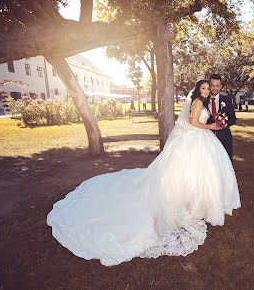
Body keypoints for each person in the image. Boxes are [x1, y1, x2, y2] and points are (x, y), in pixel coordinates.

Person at [47, 80, 241, 266]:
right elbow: (192, 122)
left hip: (201, 139)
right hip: (197, 137)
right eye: (204, 88)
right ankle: (192, 200)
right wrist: (211, 126)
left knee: (201, 172)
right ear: (199, 90)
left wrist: (213, 125)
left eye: (209, 88)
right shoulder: (198, 102)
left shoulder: (202, 101)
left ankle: (199, 198)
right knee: (191, 170)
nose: (207, 91)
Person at [206, 74, 237, 161]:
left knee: (226, 162)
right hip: (207, 138)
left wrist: (224, 124)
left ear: (221, 86)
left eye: (217, 86)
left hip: (225, 137)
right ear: (209, 85)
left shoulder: (226, 99)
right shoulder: (203, 100)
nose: (215, 88)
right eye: (212, 85)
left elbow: (233, 119)